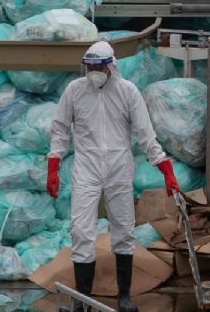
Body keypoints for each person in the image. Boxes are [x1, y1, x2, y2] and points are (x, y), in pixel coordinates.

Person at [47, 40, 180, 312]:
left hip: (119, 166)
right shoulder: (75, 91)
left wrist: (165, 169)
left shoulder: (127, 92)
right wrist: (53, 165)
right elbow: (60, 129)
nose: (94, 71)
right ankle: (82, 299)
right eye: (90, 66)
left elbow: (146, 134)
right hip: (87, 165)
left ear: (111, 66)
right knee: (81, 230)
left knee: (123, 228)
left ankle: (124, 296)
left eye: (99, 66)